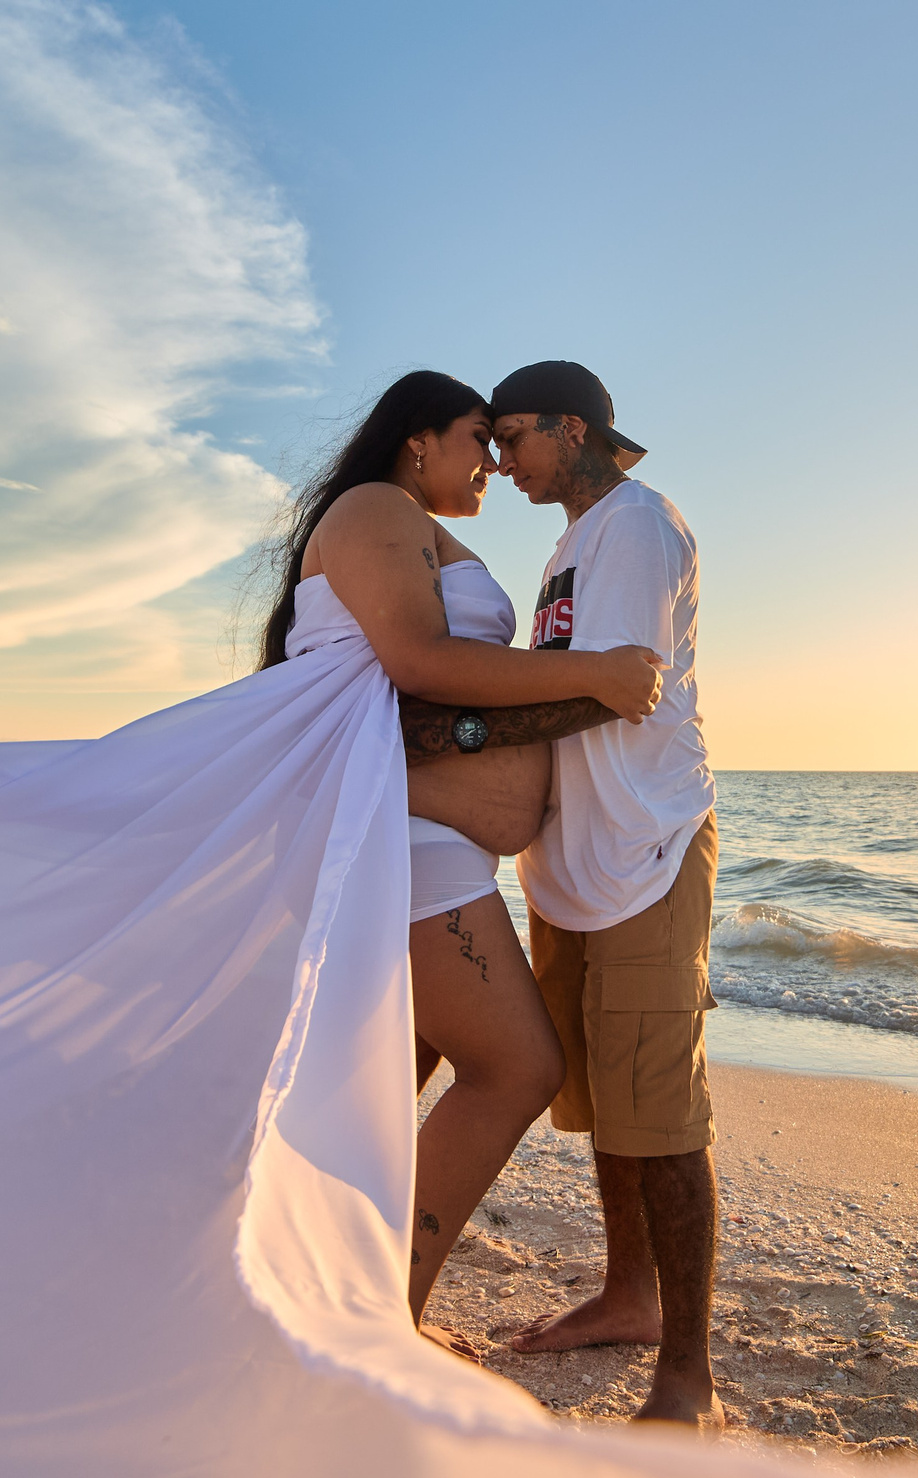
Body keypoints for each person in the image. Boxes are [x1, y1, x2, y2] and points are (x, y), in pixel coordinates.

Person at [257, 370, 663, 1352]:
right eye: (479, 436)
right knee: (518, 1067)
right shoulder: (374, 508)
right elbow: (420, 661)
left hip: (423, 846)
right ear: (417, 439)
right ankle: (381, 1318)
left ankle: (314, 1280)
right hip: (410, 847)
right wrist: (598, 678)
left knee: (394, 1068)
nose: (491, 460)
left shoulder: (401, 520)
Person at [483, 362, 723, 1430]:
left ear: (570, 428)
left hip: (643, 851)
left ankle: (689, 1375)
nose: (501, 460)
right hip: (573, 861)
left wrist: (458, 724)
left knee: (659, 1116)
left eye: (513, 437)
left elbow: (614, 685)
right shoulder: (572, 542)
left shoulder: (636, 524)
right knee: (607, 1101)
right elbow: (568, 681)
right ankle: (629, 1295)